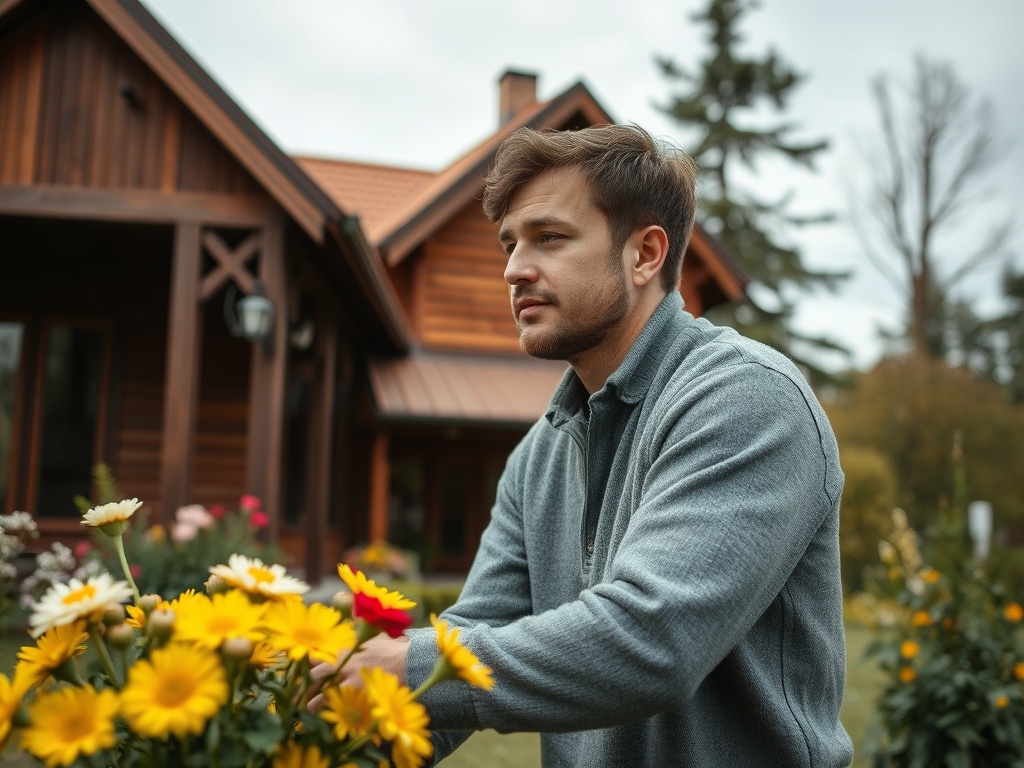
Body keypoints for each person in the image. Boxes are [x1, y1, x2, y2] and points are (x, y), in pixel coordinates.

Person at [329, 123, 853, 767]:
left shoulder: (747, 399)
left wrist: (408, 664)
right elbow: (471, 640)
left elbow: (653, 642)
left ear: (644, 255)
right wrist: (324, 734)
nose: (515, 269)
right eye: (509, 244)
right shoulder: (537, 456)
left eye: (550, 238)